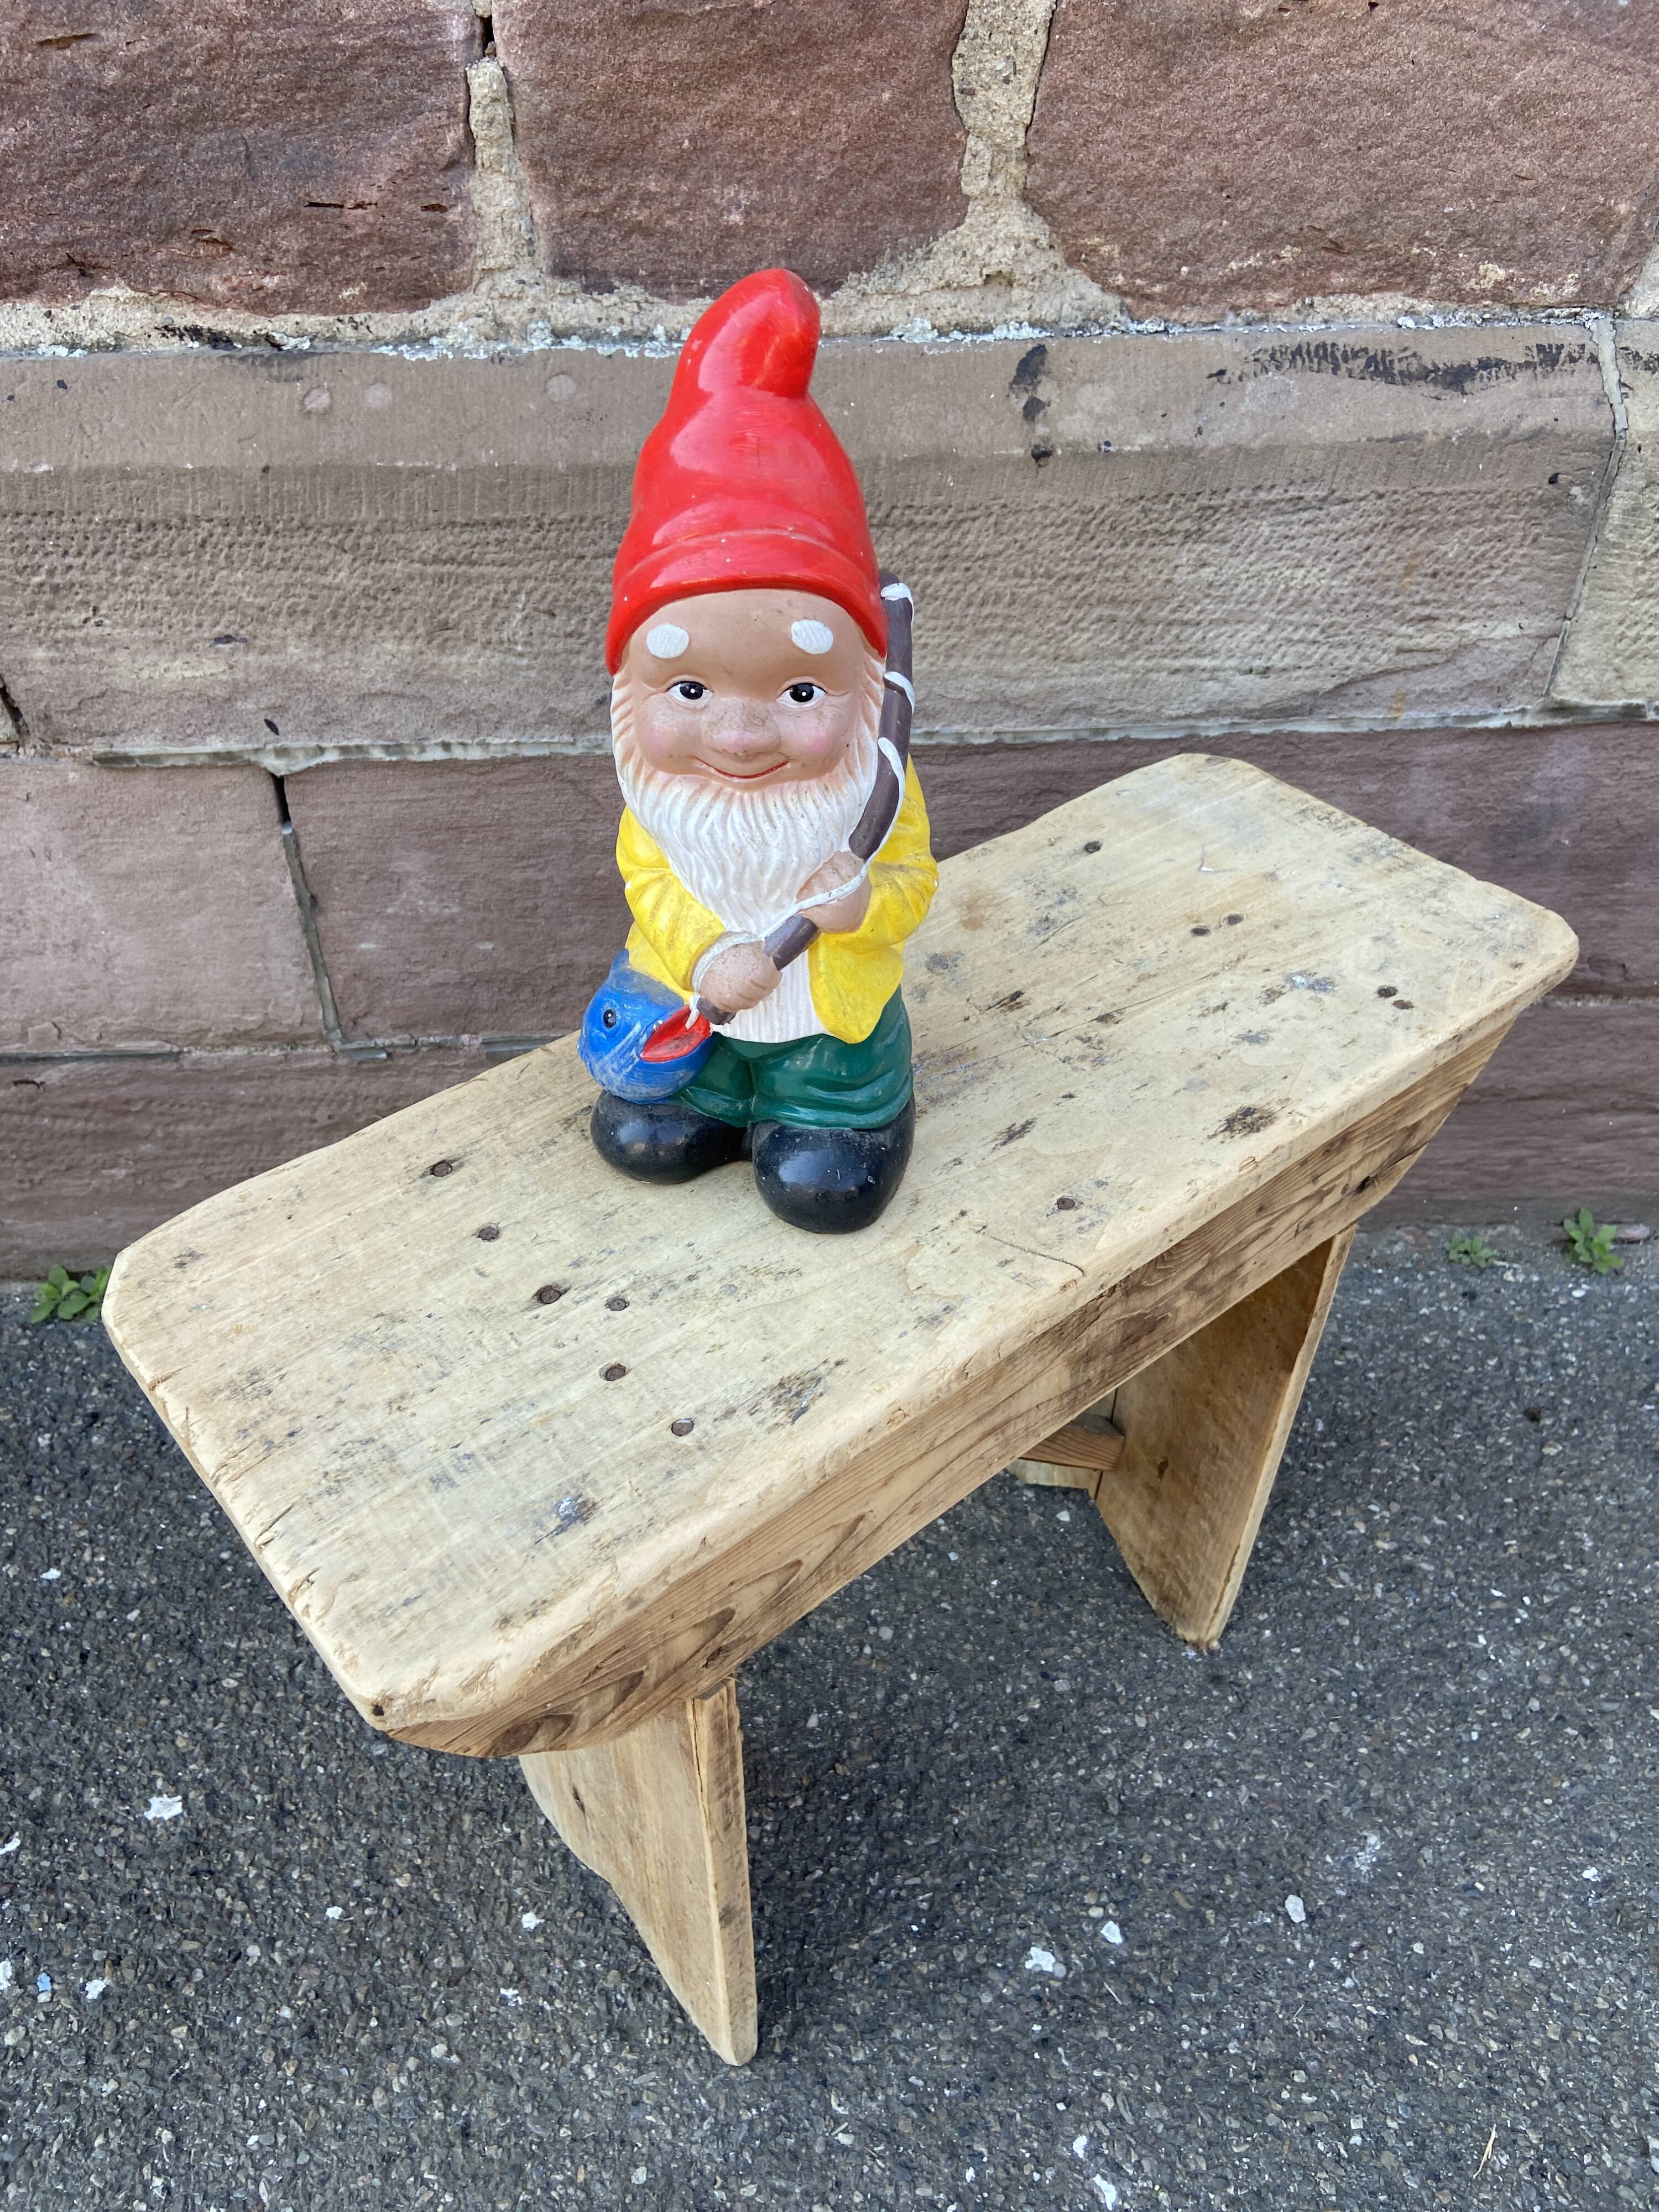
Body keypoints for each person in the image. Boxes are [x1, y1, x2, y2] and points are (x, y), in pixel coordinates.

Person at [591, 267, 937, 1233]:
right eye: (691, 691)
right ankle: (718, 1098)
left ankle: (827, 1109)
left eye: (797, 692)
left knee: (823, 1183)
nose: (739, 735)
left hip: (830, 1033)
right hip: (696, 1016)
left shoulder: (875, 786)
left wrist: (864, 904)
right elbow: (650, 884)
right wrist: (705, 957)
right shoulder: (659, 798)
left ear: (865, 687)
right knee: (640, 1139)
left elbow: (912, 879)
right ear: (632, 691)